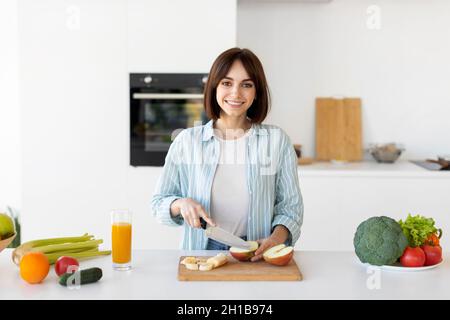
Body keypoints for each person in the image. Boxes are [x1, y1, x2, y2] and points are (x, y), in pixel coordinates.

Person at [151, 47, 303, 261]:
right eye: (227, 83)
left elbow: (290, 208)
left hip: (257, 252)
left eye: (247, 85)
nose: (236, 93)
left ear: (256, 91)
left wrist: (276, 239)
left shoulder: (277, 141)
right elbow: (158, 204)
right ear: (214, 86)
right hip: (201, 252)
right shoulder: (187, 142)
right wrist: (180, 204)